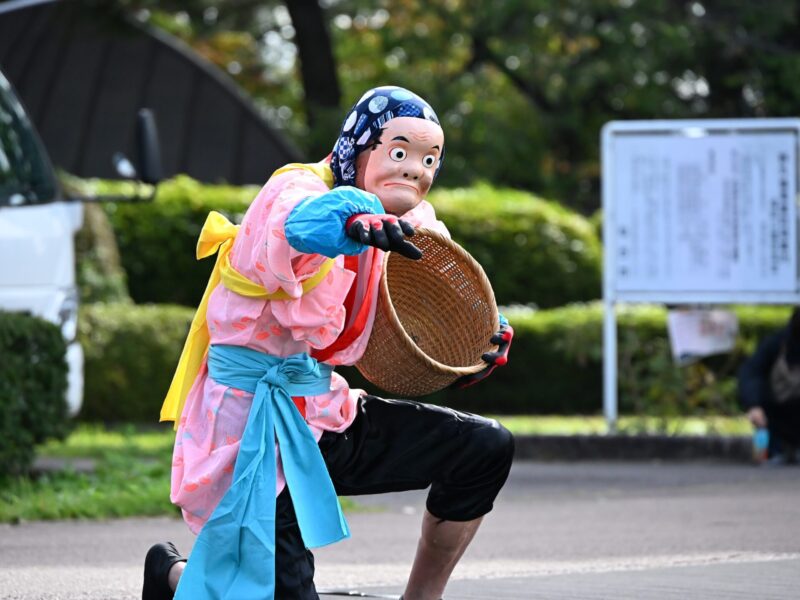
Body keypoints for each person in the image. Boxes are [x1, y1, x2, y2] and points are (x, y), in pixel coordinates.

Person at [142, 86, 514, 600]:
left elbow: (443, 293)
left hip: (323, 413)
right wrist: (352, 221)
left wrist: (483, 335)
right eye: (400, 152)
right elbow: (299, 222)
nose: (415, 170)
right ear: (360, 147)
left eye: (430, 159)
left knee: (483, 447)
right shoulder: (296, 188)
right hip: (250, 433)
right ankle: (174, 578)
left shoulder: (407, 224)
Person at [738, 306, 800, 464]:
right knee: (760, 403)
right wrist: (754, 404)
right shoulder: (776, 344)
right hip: (777, 413)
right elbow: (751, 373)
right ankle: (775, 450)